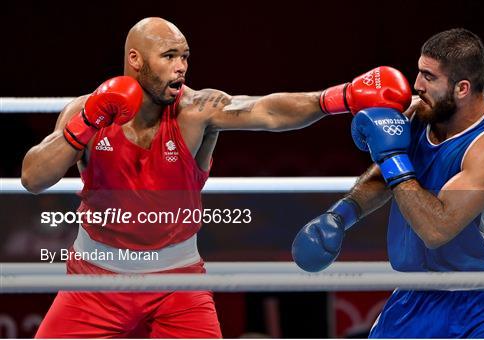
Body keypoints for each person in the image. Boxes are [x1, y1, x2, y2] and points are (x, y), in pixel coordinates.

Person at [21, 17, 411, 338]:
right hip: (96, 279)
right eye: (169, 56)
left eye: (185, 57)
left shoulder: (195, 111)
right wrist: (88, 122)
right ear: (135, 60)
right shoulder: (85, 110)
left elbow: (266, 111)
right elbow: (32, 178)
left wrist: (339, 97)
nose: (181, 67)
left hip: (177, 280)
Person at [292, 28, 484, 338]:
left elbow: (436, 229)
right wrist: (342, 214)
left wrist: (391, 157)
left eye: (429, 77)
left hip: (483, 303)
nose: (416, 85)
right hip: (416, 295)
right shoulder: (420, 116)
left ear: (462, 88)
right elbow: (386, 175)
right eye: (419, 72)